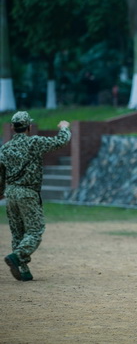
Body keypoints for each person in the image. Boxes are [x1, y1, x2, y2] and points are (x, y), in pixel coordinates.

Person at [1, 111, 71, 281]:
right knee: (35, 230)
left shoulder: (4, 148)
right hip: (27, 193)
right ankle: (18, 256)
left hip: (10, 193)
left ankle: (23, 270)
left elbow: (1, 174)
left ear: (12, 128)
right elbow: (61, 141)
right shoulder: (35, 142)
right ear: (29, 127)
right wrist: (64, 128)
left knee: (18, 232)